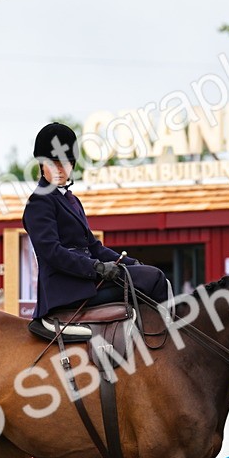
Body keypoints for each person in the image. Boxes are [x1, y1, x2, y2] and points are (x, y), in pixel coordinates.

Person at [21, 122, 169, 324]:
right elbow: (52, 252)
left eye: (65, 162)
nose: (60, 168)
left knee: (148, 275)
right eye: (53, 162)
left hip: (86, 280)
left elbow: (93, 246)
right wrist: (96, 267)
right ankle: (166, 340)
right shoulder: (39, 201)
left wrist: (130, 262)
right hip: (66, 289)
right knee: (153, 279)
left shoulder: (71, 200)